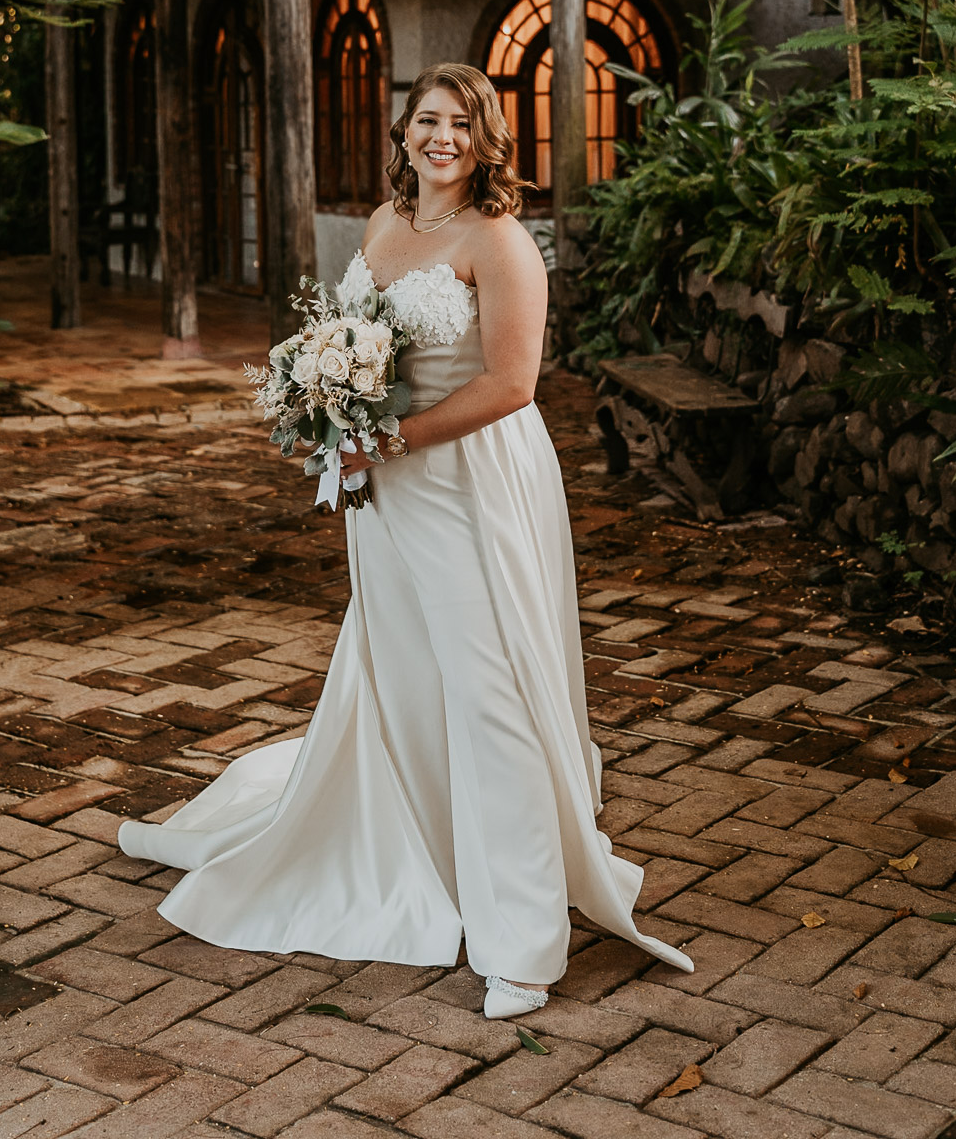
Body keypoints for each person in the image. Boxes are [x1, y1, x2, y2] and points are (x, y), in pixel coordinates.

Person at [118, 61, 693, 1019]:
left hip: (470, 481)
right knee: (403, 666)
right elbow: (357, 343)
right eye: (428, 120)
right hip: (384, 483)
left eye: (461, 124)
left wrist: (388, 439)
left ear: (486, 140)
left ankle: (521, 943)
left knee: (488, 687)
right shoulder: (384, 223)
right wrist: (328, 411)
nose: (442, 138)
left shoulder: (500, 242)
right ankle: (424, 846)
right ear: (405, 131)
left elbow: (511, 384)